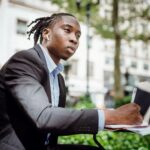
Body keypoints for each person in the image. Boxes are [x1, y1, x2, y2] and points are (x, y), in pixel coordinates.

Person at [0, 13, 142, 150]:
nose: (74, 39)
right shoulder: (25, 61)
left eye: (78, 35)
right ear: (46, 33)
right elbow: (44, 117)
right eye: (67, 30)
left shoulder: (59, 79)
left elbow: (56, 124)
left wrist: (111, 123)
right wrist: (109, 116)